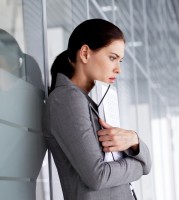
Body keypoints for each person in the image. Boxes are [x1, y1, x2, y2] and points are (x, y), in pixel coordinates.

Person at [43, 19, 151, 200]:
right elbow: (97, 176)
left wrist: (134, 139)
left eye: (120, 61)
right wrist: (138, 166)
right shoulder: (66, 99)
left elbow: (145, 164)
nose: (118, 69)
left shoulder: (85, 102)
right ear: (85, 53)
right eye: (112, 58)